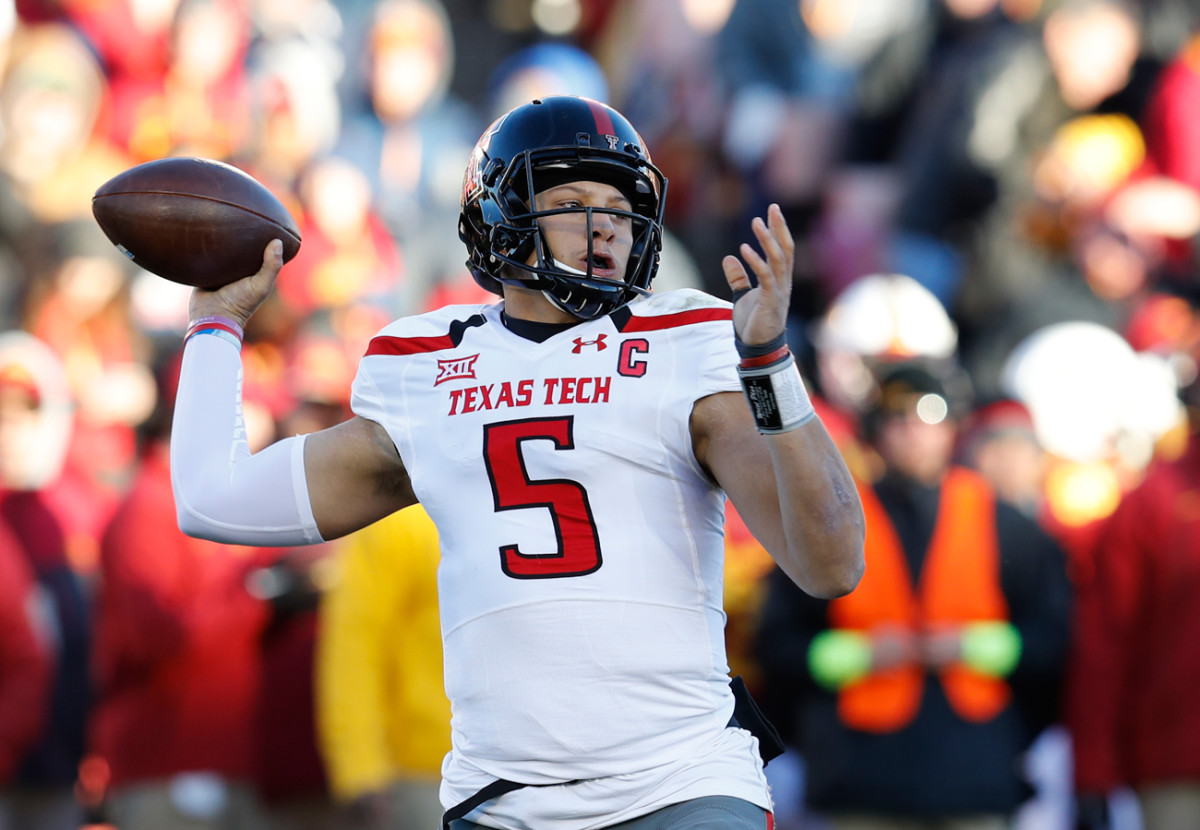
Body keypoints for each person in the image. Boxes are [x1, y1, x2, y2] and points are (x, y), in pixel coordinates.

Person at [168, 95, 865, 830]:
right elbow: (213, 500)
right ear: (498, 217)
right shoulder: (429, 368)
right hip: (503, 804)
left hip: (679, 781)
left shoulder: (684, 339)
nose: (606, 227)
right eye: (572, 202)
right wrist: (217, 324)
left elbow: (832, 565)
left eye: (621, 209)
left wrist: (768, 363)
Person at [756, 360, 1072, 830]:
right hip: (860, 775)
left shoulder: (1007, 525)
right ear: (876, 431)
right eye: (896, 418)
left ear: (952, 430)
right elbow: (777, 646)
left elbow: (1053, 640)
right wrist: (861, 655)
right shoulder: (833, 522)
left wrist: (972, 647)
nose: (911, 432)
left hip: (975, 772)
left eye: (928, 417)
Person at [315, 503, 450, 830]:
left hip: (541, 770)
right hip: (426, 775)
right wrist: (359, 769)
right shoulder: (404, 520)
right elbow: (355, 647)